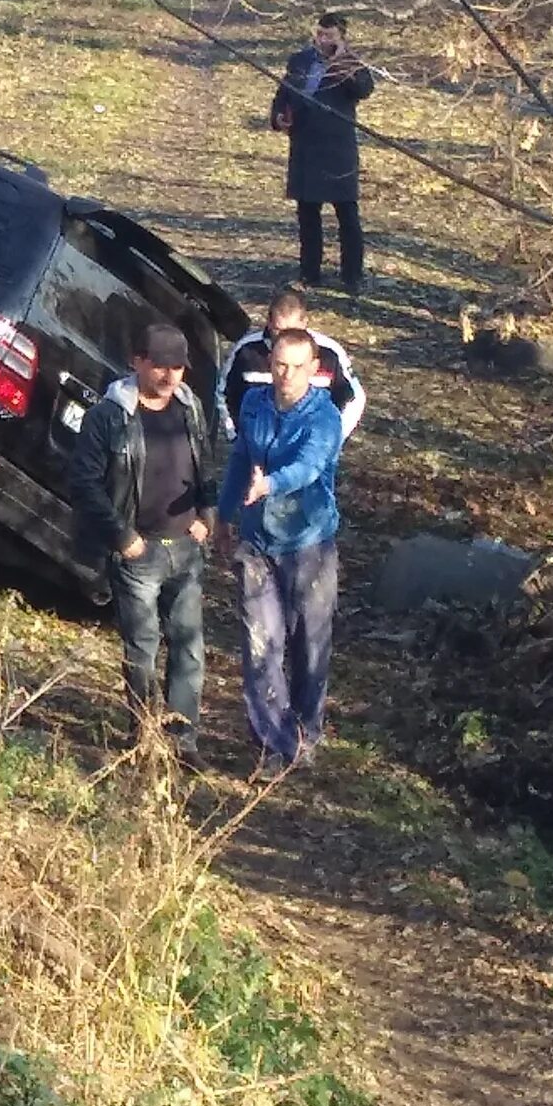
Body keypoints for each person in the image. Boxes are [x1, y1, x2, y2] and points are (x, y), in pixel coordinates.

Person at [68, 319, 215, 767]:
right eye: (161, 366)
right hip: (138, 552)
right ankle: (144, 736)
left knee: (189, 647)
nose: (171, 376)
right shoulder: (108, 417)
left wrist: (206, 517)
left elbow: (206, 465)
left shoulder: (190, 408)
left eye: (178, 367)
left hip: (186, 547)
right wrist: (123, 537)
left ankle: (182, 743)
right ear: (137, 362)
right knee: (143, 646)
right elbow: (84, 483)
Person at [220, 329, 346, 778]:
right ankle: (276, 741)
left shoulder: (324, 417)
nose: (286, 375)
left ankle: (307, 733)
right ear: (269, 363)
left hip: (307, 541)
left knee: (309, 645)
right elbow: (239, 457)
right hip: (258, 541)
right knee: (260, 644)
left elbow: (310, 466)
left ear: (314, 370)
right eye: (278, 364)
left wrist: (269, 484)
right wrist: (223, 513)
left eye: (296, 366)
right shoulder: (254, 403)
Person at [269, 10, 375, 292]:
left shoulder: (351, 64)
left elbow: (364, 89)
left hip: (337, 149)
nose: (322, 39)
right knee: (307, 214)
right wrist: (279, 117)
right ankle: (309, 274)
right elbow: (283, 94)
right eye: (320, 33)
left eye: (329, 35)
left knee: (347, 216)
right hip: (305, 145)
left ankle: (352, 276)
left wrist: (341, 59)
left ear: (341, 38)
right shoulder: (300, 61)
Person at [218, 286, 366, 440]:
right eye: (278, 330)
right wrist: (235, 435)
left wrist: (334, 438)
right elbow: (223, 393)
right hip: (256, 445)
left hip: (312, 445)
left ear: (304, 323)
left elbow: (353, 397)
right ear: (268, 322)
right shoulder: (246, 351)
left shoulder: (329, 353)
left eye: (293, 330)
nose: (285, 337)